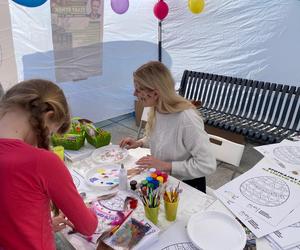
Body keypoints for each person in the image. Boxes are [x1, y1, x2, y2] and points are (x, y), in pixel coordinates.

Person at [0, 79, 98, 250]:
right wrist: (92, 210)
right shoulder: (41, 161)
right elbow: (87, 226)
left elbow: (10, 214)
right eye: (50, 133)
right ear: (48, 117)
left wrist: (42, 224)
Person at [119, 61, 216, 192]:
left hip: (187, 186)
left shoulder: (186, 118)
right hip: (163, 179)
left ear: (155, 93)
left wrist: (165, 165)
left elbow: (207, 165)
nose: (134, 94)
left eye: (138, 89)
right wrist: (139, 142)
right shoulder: (156, 109)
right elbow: (159, 138)